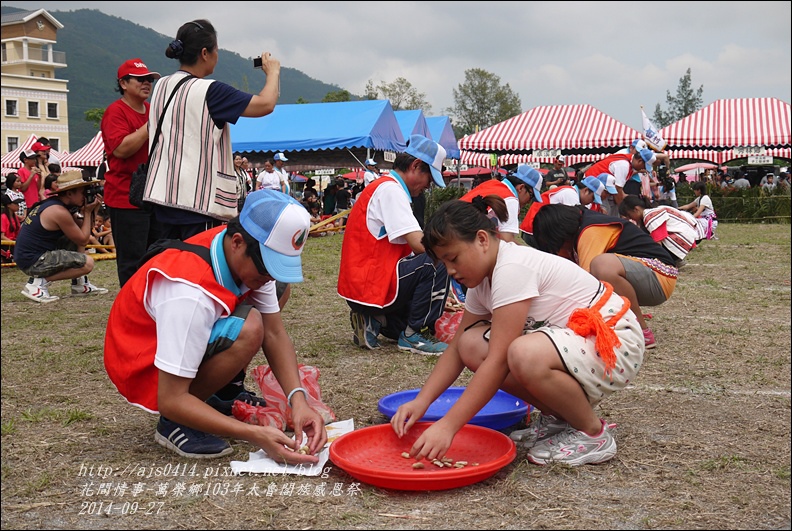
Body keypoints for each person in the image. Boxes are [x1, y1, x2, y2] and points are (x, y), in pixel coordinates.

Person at [390, 197, 643, 466]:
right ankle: (559, 420)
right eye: (444, 263)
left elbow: (499, 360)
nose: (451, 271)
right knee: (470, 345)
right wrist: (422, 402)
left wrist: (449, 426)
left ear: (482, 240)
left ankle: (593, 434)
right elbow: (456, 349)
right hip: (578, 345)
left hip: (613, 342)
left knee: (522, 353)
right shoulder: (481, 284)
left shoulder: (512, 269)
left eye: (453, 258)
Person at [104, 190, 328, 460]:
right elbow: (171, 398)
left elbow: (275, 333)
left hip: (178, 337)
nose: (269, 278)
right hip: (144, 366)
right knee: (250, 327)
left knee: (276, 296)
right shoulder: (189, 294)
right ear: (237, 243)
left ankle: (221, 394)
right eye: (266, 268)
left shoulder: (239, 249)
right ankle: (174, 423)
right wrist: (254, 435)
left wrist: (298, 401)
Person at [143, 19, 281, 240]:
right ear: (205, 53)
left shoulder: (160, 87)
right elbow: (266, 104)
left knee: (169, 266)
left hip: (160, 197)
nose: (218, 55)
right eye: (216, 50)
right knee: (197, 267)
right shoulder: (211, 91)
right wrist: (272, 73)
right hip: (197, 202)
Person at [337, 134, 450, 355]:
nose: (427, 187)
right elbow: (421, 246)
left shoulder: (382, 186)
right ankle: (412, 335)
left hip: (361, 286)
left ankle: (375, 320)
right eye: (430, 179)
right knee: (436, 260)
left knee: (408, 314)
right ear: (416, 166)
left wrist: (437, 294)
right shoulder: (392, 190)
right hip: (372, 285)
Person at [533, 203, 678, 350]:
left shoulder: (590, 230)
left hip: (659, 276)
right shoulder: (583, 224)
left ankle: (641, 331)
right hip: (645, 276)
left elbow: (584, 282)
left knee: (601, 266)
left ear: (560, 234)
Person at [101, 57, 164, 287]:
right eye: (140, 79)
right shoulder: (115, 112)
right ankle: (132, 313)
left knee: (158, 257)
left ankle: (151, 309)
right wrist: (150, 126)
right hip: (125, 198)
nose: (147, 83)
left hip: (154, 195)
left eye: (149, 79)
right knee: (132, 262)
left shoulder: (152, 110)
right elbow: (121, 149)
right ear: (123, 83)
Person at [14, 171, 108, 303]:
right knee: (87, 264)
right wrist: (87, 212)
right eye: (83, 191)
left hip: (31, 256)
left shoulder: (58, 205)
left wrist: (94, 209)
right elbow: (83, 239)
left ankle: (80, 284)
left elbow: (83, 230)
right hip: (33, 261)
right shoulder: (58, 211)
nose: (86, 195)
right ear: (69, 193)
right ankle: (38, 283)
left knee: (75, 239)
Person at [460, 163, 543, 243]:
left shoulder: (491, 183)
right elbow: (507, 242)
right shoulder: (510, 200)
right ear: (521, 188)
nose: (529, 202)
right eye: (531, 196)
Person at [519, 175, 605, 245]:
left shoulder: (570, 191)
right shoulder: (570, 194)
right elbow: (577, 221)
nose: (592, 202)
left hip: (538, 230)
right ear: (586, 190)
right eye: (592, 198)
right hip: (534, 232)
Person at [618, 195, 699, 266]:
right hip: (688, 236)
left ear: (636, 209)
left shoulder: (650, 216)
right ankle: (674, 259)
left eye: (629, 215)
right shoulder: (653, 210)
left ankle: (671, 260)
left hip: (683, 238)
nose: (630, 219)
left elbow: (658, 242)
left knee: (646, 245)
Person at [583, 148, 669, 205]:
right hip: (592, 188)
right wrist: (624, 213)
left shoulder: (630, 158)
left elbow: (620, 192)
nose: (643, 169)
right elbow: (618, 190)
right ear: (639, 161)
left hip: (597, 186)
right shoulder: (624, 165)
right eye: (644, 166)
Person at [1, 194, 23, 263]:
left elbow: (18, 233)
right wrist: (14, 243)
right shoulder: (3, 217)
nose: (18, 205)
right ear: (8, 205)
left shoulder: (15, 217)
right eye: (15, 204)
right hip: (6, 245)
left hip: (13, 243)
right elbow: (2, 236)